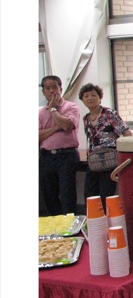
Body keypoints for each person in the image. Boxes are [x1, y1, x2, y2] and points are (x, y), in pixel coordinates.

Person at [79, 83, 131, 207]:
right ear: (82, 100)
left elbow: (127, 134)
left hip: (110, 159)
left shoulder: (109, 114)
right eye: (86, 96)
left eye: (93, 95)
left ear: (100, 98)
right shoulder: (86, 118)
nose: (90, 98)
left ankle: (107, 219)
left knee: (106, 195)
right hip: (93, 160)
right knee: (89, 195)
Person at [39, 76, 81, 215]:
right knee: (49, 195)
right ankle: (55, 225)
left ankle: (70, 225)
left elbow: (67, 126)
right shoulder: (39, 112)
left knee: (67, 193)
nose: (52, 91)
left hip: (66, 155)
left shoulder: (71, 107)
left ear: (61, 89)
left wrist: (53, 109)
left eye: (54, 87)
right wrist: (57, 128)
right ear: (43, 91)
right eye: (48, 88)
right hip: (46, 157)